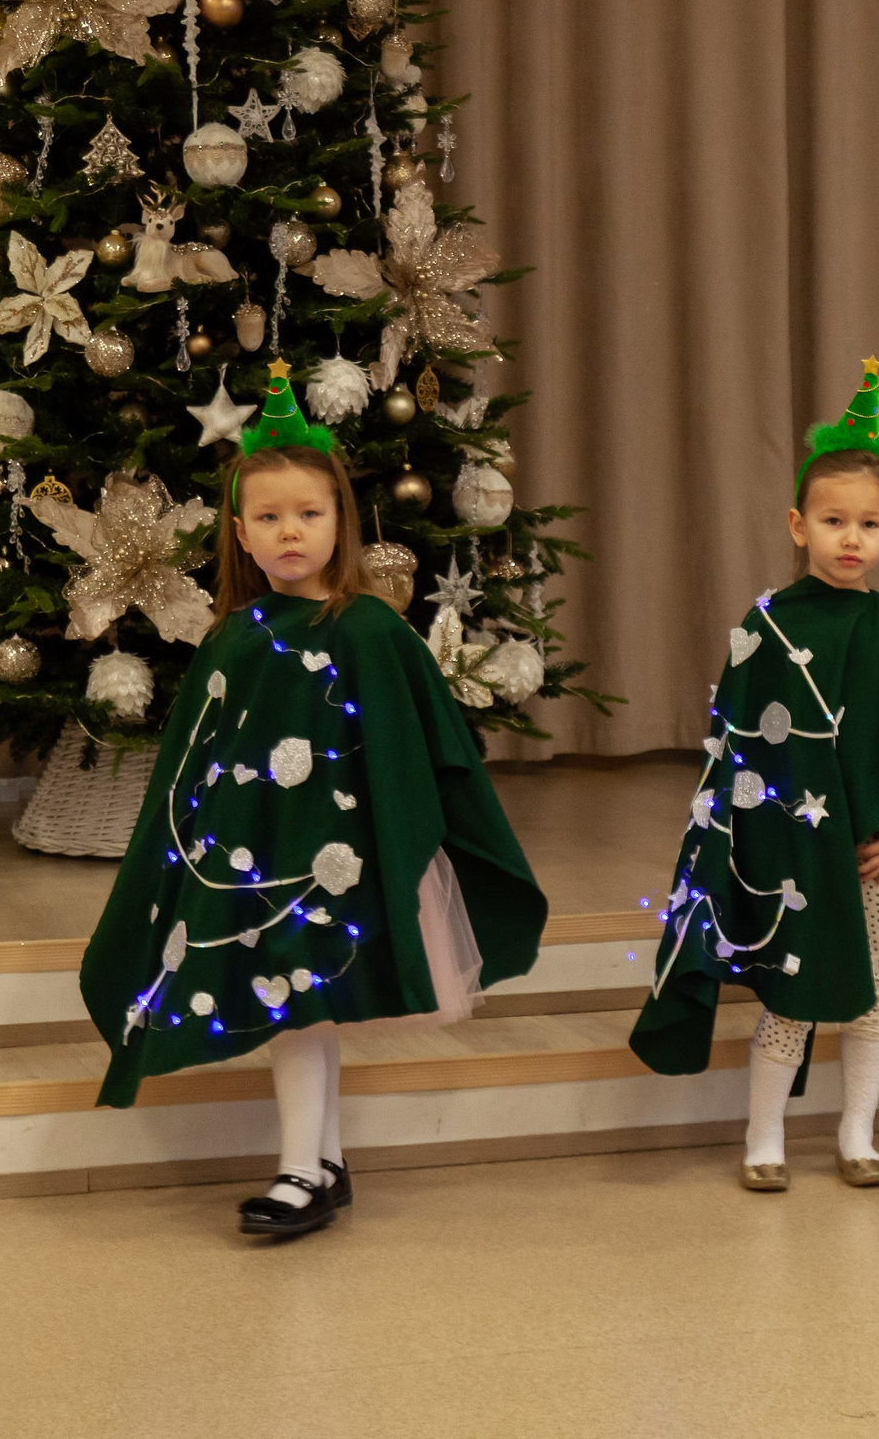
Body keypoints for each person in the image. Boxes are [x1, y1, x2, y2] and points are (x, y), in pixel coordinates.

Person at [77, 364, 547, 1237]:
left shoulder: (367, 629)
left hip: (339, 867)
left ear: (342, 521)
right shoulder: (234, 638)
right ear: (241, 532)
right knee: (297, 1003)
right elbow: (200, 760)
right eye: (269, 516)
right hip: (255, 868)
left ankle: (301, 1168)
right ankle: (320, 1161)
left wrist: (405, 845)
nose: (290, 531)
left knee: (297, 1002)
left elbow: (424, 750)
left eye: (309, 513)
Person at [630, 360, 879, 1190]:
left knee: (869, 998)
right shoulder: (765, 627)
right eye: (834, 520)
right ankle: (764, 1138)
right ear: (799, 524)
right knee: (790, 999)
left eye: (869, 523)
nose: (851, 538)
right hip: (793, 853)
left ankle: (858, 1133)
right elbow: (738, 754)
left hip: (874, 851)